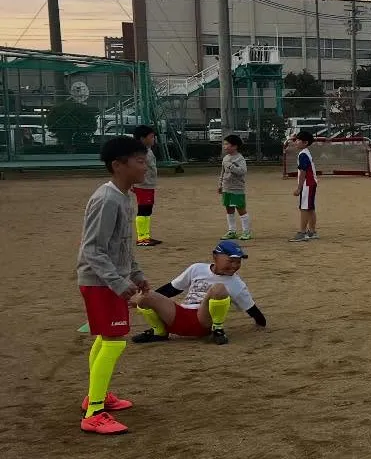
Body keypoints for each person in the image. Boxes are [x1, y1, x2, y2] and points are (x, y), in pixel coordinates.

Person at [76, 136, 152, 435]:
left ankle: (97, 394)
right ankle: (94, 411)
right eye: (139, 161)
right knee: (114, 340)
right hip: (100, 282)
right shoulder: (107, 199)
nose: (145, 166)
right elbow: (92, 249)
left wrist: (136, 273)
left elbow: (122, 245)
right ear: (118, 166)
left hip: (110, 280)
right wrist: (119, 282)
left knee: (108, 337)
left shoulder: (124, 196)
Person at [131, 240, 267, 347]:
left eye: (238, 262)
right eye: (230, 261)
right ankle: (159, 332)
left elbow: (251, 309)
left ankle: (217, 329)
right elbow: (172, 289)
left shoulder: (236, 283)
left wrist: (261, 323)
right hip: (179, 316)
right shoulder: (197, 268)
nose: (234, 266)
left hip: (203, 321)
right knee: (144, 296)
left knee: (218, 288)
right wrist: (148, 300)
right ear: (215, 257)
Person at [218, 134, 251, 241]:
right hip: (227, 188)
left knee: (241, 210)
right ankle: (232, 231)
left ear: (235, 146)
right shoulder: (225, 158)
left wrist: (231, 166)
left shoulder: (240, 158)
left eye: (227, 144)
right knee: (229, 209)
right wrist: (220, 185)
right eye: (224, 144)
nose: (225, 146)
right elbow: (222, 173)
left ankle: (246, 232)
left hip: (237, 188)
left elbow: (242, 171)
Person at [132, 124, 161, 246]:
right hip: (143, 185)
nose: (153, 139)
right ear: (142, 138)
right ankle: (142, 238)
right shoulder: (140, 152)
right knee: (143, 210)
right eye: (151, 137)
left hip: (148, 185)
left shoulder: (147, 151)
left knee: (147, 210)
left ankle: (146, 236)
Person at [292, 130, 319, 241]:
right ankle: (312, 231)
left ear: (305, 142)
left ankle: (302, 232)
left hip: (307, 184)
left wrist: (299, 187)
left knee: (304, 208)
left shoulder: (303, 154)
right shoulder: (306, 152)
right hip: (311, 183)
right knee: (310, 208)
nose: (296, 142)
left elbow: (303, 171)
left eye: (298, 140)